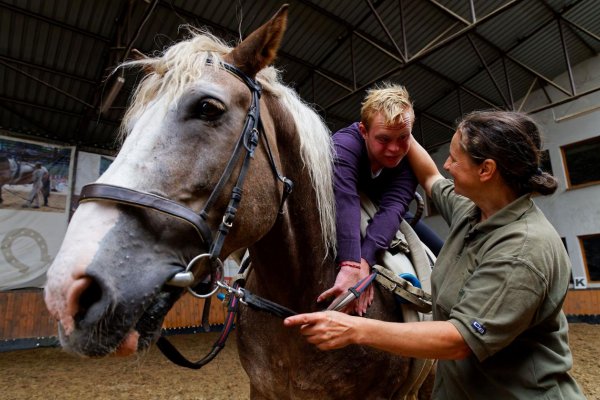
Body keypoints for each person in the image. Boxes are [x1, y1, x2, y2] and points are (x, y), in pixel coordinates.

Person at [285, 110, 585, 399]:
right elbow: (429, 176)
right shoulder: (473, 210)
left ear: (486, 170)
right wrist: (394, 120)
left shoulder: (522, 250)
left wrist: (354, 329)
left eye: (454, 158)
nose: (447, 165)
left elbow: (458, 340)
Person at [319, 82, 443, 316]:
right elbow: (346, 199)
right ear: (364, 131)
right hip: (342, 203)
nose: (395, 149)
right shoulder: (344, 146)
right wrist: (351, 263)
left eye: (403, 138)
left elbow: (394, 208)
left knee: (444, 252)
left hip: (388, 211)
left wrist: (366, 259)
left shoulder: (407, 159)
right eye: (384, 139)